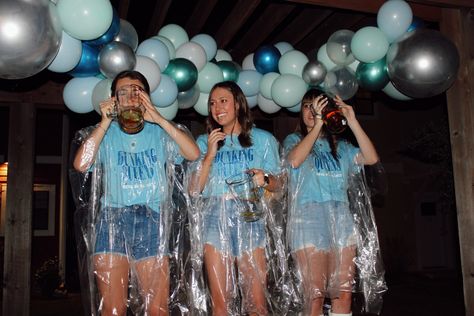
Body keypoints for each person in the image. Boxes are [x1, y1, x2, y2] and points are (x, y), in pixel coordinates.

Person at [72, 70, 200, 316]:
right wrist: (104, 123)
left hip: (152, 219)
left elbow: (192, 154)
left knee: (157, 308)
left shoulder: (159, 131)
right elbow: (81, 164)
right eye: (123, 91)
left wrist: (159, 118)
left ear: (146, 97)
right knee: (113, 309)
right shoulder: (105, 135)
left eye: (137, 90)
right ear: (114, 99)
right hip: (112, 220)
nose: (130, 96)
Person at [283, 89, 384, 316]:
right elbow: (295, 161)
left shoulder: (342, 147)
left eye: (317, 106)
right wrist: (318, 124)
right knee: (314, 294)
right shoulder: (294, 140)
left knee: (343, 292)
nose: (311, 110)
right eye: (307, 106)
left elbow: (371, 158)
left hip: (341, 216)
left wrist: (353, 121)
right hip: (308, 217)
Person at [189, 81, 281, 315]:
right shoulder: (202, 142)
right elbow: (193, 189)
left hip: (249, 217)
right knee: (221, 302)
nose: (216, 107)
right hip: (213, 217)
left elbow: (281, 185)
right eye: (212, 103)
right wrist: (209, 155)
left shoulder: (263, 139)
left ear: (238, 104)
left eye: (223, 101)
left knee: (256, 301)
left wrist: (267, 179)